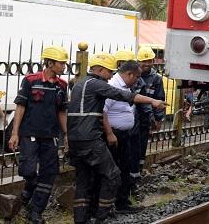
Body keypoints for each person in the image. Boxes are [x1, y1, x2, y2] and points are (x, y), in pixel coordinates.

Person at [67, 52, 167, 224]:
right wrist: (153, 101)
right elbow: (123, 95)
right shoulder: (96, 84)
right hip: (90, 139)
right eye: (109, 71)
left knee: (84, 181)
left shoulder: (79, 84)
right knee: (113, 175)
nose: (111, 75)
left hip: (76, 140)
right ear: (99, 69)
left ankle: (81, 220)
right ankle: (101, 218)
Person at [8, 45, 70, 223]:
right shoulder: (30, 80)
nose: (64, 66)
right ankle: (28, 191)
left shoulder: (61, 86)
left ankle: (36, 211)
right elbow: (21, 106)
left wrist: (66, 135)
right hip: (29, 134)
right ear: (50, 63)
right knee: (28, 170)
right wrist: (15, 133)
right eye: (61, 63)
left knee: (49, 174)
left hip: (50, 137)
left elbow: (61, 112)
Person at [103, 61, 143, 213]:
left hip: (124, 134)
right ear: (129, 74)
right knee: (115, 170)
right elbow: (103, 112)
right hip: (115, 135)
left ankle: (122, 203)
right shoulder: (113, 86)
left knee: (125, 167)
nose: (137, 80)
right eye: (137, 77)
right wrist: (109, 133)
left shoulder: (125, 86)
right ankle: (110, 204)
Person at [135, 46, 166, 175]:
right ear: (138, 61)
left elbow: (159, 99)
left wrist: (158, 119)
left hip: (146, 118)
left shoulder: (156, 79)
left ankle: (138, 171)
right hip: (132, 117)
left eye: (149, 61)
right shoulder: (133, 75)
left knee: (141, 147)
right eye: (144, 61)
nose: (147, 64)